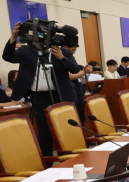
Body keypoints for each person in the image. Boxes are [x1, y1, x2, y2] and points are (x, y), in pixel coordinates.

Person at [3, 22, 81, 158]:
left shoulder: (64, 52)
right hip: (39, 99)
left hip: (61, 97)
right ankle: (48, 167)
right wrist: (13, 38)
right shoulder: (26, 50)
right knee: (44, 134)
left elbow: (75, 69)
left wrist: (61, 58)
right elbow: (8, 57)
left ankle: (73, 162)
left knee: (68, 132)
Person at [62, 41, 92, 125]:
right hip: (71, 94)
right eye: (72, 50)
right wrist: (84, 72)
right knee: (75, 119)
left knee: (81, 118)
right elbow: (70, 76)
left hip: (79, 92)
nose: (73, 53)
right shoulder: (61, 60)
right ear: (65, 48)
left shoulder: (71, 59)